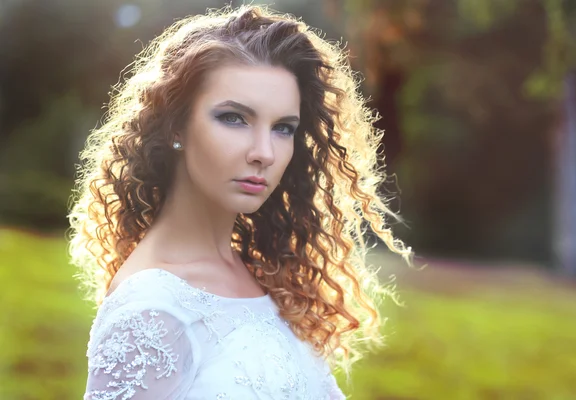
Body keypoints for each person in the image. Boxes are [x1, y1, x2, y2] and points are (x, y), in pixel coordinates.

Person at [67, 4, 412, 399]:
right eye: (234, 118)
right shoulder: (151, 310)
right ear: (176, 124)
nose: (264, 152)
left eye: (283, 128)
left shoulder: (259, 271)